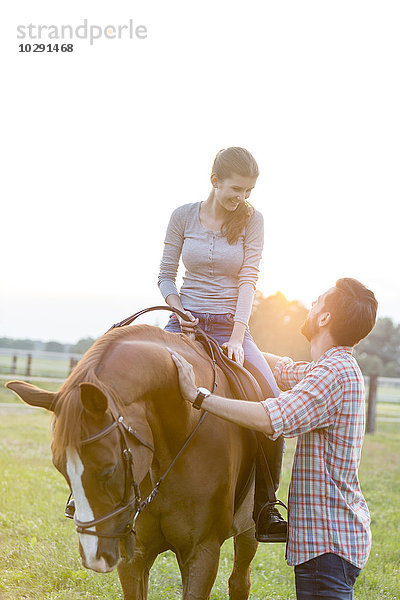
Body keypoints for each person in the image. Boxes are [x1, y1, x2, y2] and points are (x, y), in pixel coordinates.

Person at [169, 278, 378, 600]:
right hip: (330, 544)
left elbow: (270, 418)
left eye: (317, 301)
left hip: (329, 546)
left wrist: (198, 397)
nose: (310, 306)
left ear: (324, 318)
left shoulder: (333, 374)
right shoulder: (333, 367)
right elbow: (282, 368)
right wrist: (221, 342)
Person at [158, 146, 287, 541]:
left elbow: (249, 279)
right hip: (184, 324)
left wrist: (235, 335)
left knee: (272, 404)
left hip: (233, 328)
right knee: (140, 388)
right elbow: (165, 276)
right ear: (214, 181)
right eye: (236, 190)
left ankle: (265, 506)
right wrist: (179, 312)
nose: (242, 199)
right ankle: (112, 488)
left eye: (248, 191)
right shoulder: (182, 216)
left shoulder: (252, 220)